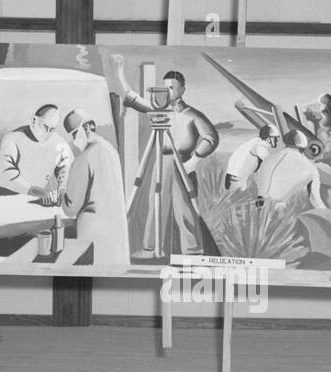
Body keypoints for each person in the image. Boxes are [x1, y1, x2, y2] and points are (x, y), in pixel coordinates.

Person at [113, 57, 220, 257]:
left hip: (182, 164)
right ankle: (151, 248)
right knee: (156, 204)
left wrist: (195, 159)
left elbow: (211, 137)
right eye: (165, 87)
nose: (167, 91)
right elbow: (134, 99)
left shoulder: (192, 115)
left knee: (184, 209)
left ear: (182, 90)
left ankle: (192, 250)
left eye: (172, 87)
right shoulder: (159, 110)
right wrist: (120, 73)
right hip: (161, 163)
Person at [62, 109, 130, 265]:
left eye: (74, 134)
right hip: (114, 234)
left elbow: (70, 208)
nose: (73, 140)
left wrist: (61, 192)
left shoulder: (83, 159)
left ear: (87, 128)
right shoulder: (111, 151)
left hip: (93, 234)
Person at [0, 105, 74, 206]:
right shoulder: (12, 139)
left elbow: (68, 166)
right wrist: (32, 190)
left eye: (51, 129)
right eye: (45, 127)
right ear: (34, 121)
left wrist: (63, 187)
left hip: (41, 201)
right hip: (12, 201)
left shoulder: (59, 142)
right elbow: (5, 175)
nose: (47, 133)